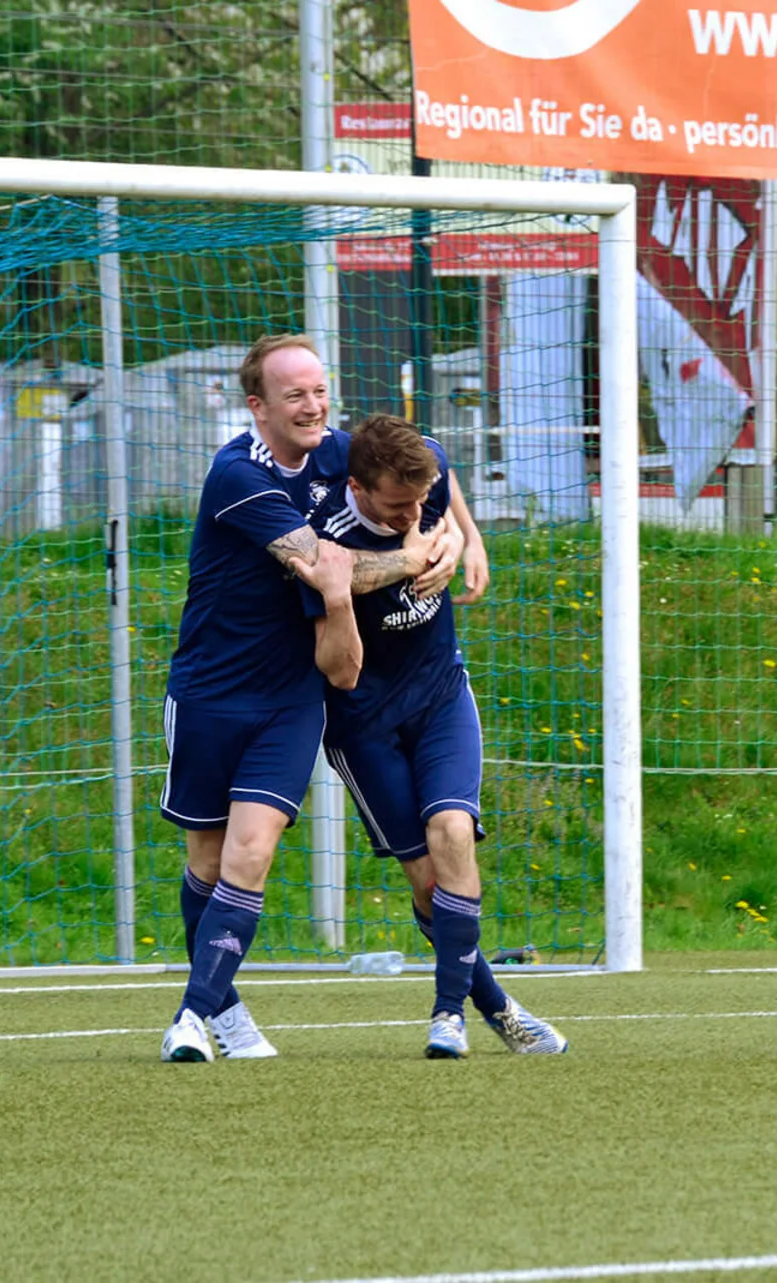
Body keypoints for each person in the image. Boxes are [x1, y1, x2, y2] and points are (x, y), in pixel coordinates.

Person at [159, 335, 464, 1064]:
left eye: (320, 390)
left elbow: (430, 462)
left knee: (252, 851)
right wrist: (416, 556)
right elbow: (334, 569)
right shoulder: (238, 474)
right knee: (206, 861)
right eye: (294, 394)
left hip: (294, 697)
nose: (313, 406)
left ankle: (191, 1019)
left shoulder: (339, 451)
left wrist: (459, 537)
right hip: (210, 690)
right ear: (257, 404)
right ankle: (225, 1013)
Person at [313, 413, 568, 1059]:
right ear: (359, 487)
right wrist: (411, 556)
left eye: (421, 499)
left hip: (439, 695)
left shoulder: (425, 472)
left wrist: (466, 536)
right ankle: (501, 1008)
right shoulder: (323, 533)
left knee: (453, 831)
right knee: (427, 881)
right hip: (361, 720)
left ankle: (446, 1014)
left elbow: (441, 474)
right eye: (399, 504)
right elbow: (338, 606)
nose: (414, 511)